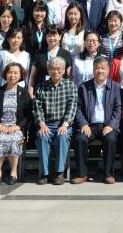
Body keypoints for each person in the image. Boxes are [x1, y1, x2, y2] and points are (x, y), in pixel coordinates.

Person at [72, 56, 121, 184]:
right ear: (93, 70)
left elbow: (118, 109)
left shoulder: (115, 87)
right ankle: (82, 174)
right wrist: (83, 124)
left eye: (103, 68)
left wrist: (111, 125)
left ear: (108, 70)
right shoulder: (84, 87)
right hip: (89, 125)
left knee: (111, 139)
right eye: (97, 68)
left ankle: (108, 174)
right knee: (80, 139)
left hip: (107, 125)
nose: (100, 71)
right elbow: (77, 108)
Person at [33, 57, 77, 185]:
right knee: (42, 137)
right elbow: (37, 108)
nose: (55, 71)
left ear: (63, 70)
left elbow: (72, 107)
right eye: (52, 69)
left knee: (62, 137)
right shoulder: (41, 87)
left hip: (63, 124)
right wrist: (41, 124)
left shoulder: (70, 86)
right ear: (48, 70)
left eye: (58, 69)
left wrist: (65, 125)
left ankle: (59, 172)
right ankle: (45, 173)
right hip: (46, 124)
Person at [0, 62, 31, 185]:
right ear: (5, 74)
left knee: (14, 139)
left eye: (16, 73)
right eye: (10, 72)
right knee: (0, 139)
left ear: (20, 75)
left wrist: (18, 126)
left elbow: (29, 115)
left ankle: (13, 173)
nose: (12, 75)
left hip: (16, 128)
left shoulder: (24, 93)